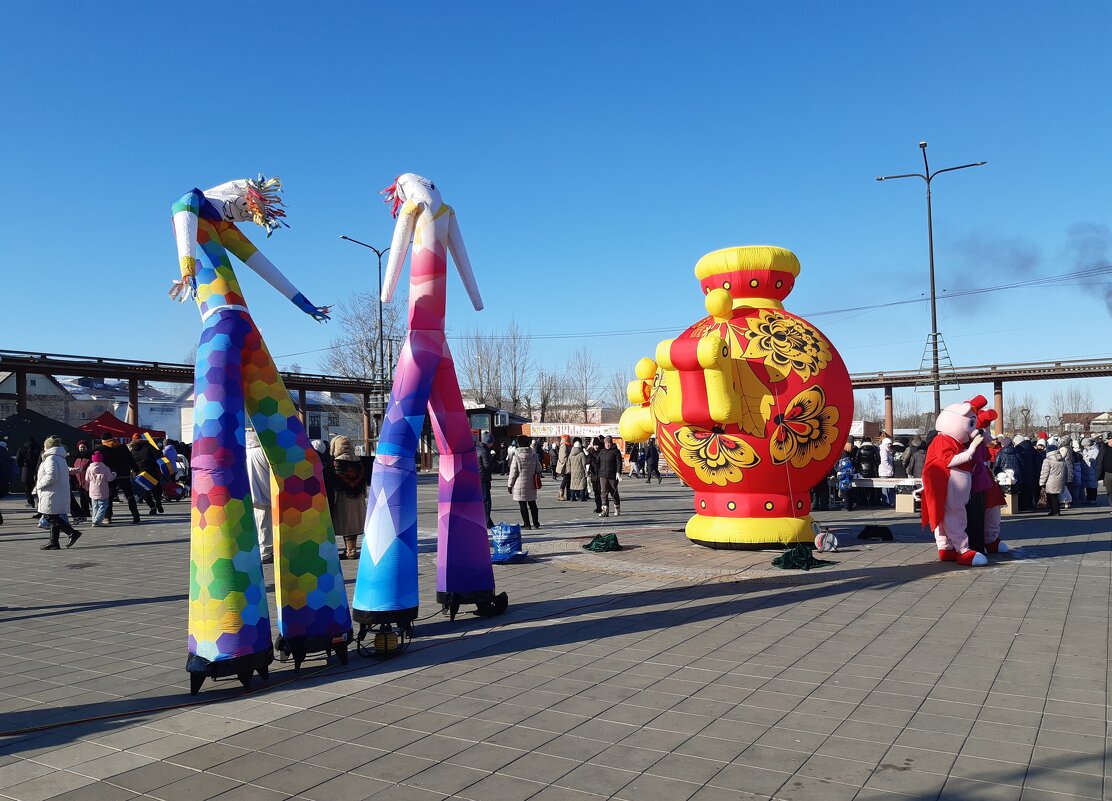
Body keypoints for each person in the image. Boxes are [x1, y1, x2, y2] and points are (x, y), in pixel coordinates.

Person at [36, 436, 82, 550]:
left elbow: (52, 475)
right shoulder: (60, 458)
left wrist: (39, 484)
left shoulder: (50, 459)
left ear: (47, 446)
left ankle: (72, 533)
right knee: (54, 515)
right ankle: (53, 542)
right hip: (59, 491)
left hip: (51, 492)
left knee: (49, 515)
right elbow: (64, 470)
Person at [331, 435, 367, 560]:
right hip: (357, 497)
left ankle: (350, 551)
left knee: (346, 523)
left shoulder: (336, 462)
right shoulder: (358, 461)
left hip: (342, 498)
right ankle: (352, 549)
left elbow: (334, 483)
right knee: (354, 523)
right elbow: (363, 481)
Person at [95, 434, 141, 524]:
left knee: (109, 497)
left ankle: (108, 517)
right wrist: (136, 469)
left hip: (111, 475)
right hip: (124, 475)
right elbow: (130, 459)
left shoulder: (102, 448)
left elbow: (88, 454)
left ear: (104, 440)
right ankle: (136, 515)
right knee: (129, 495)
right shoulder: (123, 447)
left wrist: (71, 454)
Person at [245, 429, 274, 563]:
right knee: (265, 524)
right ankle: (265, 552)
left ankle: (260, 550)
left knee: (258, 523)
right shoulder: (263, 452)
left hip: (250, 492)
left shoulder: (246, 452)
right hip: (265, 491)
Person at [507, 436, 541, 530]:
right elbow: (539, 468)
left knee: (522, 505)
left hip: (519, 484)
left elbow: (513, 472)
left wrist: (510, 485)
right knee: (532, 503)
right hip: (531, 483)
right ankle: (536, 522)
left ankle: (527, 524)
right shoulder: (534, 455)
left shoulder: (516, 457)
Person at [127, 435, 164, 515]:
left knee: (144, 490)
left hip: (139, 473)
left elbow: (130, 462)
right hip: (151, 471)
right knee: (156, 488)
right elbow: (159, 454)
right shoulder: (148, 446)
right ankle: (158, 502)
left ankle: (152, 507)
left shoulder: (132, 450)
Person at [1039, 445, 1072, 516]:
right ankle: (1055, 511)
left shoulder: (1047, 460)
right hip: (1060, 481)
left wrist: (1042, 482)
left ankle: (1055, 511)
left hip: (1050, 481)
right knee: (1055, 496)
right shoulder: (1062, 459)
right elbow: (1066, 471)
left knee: (1051, 497)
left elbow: (1045, 472)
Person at [86, 451, 116, 527]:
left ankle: (94, 520)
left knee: (95, 506)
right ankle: (97, 520)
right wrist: (114, 474)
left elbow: (87, 478)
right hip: (103, 490)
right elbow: (109, 478)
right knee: (103, 505)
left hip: (92, 490)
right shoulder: (105, 468)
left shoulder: (89, 468)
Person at [597, 435, 623, 517]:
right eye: (606, 443)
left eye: (609, 443)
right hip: (603, 476)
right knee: (603, 492)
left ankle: (617, 507)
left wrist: (618, 472)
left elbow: (619, 463)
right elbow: (597, 462)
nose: (607, 444)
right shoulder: (602, 451)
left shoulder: (616, 451)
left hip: (612, 476)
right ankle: (605, 510)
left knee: (613, 492)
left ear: (611, 443)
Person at [68, 441, 93, 523]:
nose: (82, 448)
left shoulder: (90, 457)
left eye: (84, 447)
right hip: (79, 481)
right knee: (82, 498)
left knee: (89, 497)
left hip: (88, 481)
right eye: (81, 447)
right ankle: (86, 513)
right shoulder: (77, 458)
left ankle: (97, 511)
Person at [478, 433, 497, 527]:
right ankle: (487, 521)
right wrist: (495, 464)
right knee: (486, 500)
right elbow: (487, 465)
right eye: (491, 443)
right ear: (488, 442)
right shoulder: (485, 451)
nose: (492, 445)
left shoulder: (477, 449)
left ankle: (486, 520)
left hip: (477, 476)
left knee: (482, 499)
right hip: (484, 477)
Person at [16, 437, 41, 507]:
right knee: (38, 486)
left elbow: (18, 460)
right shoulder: (38, 448)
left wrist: (22, 466)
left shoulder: (21, 448)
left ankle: (30, 502)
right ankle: (39, 503)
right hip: (36, 469)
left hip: (26, 469)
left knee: (27, 487)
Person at [1081, 438, 1100, 504]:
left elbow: (1095, 460)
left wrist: (1086, 459)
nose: (1084, 447)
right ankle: (1088, 498)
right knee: (1088, 485)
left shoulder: (1096, 450)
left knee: (1092, 484)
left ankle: (1093, 498)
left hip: (1092, 470)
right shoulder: (1085, 450)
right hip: (1086, 469)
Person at [587, 437, 603, 514]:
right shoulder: (590, 452)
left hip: (601, 475)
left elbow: (598, 462)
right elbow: (588, 463)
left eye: (597, 445)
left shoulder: (601, 452)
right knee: (596, 492)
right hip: (594, 476)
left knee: (602, 492)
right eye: (595, 445)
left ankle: (604, 506)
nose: (596, 446)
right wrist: (588, 470)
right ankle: (598, 507)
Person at [877, 438, 895, 506]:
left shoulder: (887, 451)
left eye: (890, 444)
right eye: (888, 444)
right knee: (885, 488)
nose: (889, 445)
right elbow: (884, 461)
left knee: (888, 488)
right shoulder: (883, 451)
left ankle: (889, 502)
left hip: (886, 471)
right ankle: (886, 502)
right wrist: (890, 468)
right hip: (884, 472)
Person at [555, 435, 571, 501]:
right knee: (565, 479)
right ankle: (560, 494)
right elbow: (563, 456)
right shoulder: (564, 445)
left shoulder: (568, 445)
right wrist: (568, 460)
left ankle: (568, 495)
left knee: (568, 480)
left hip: (567, 465)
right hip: (565, 465)